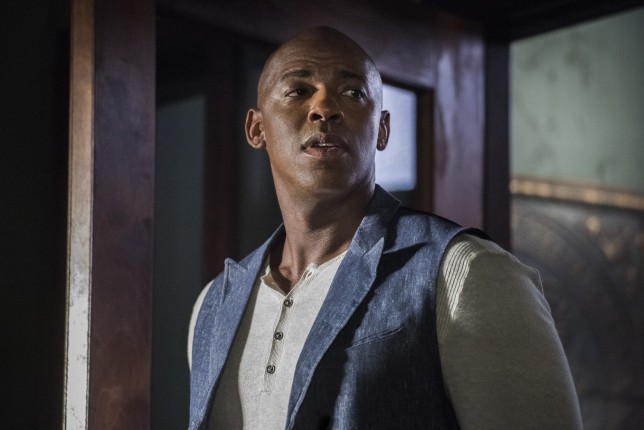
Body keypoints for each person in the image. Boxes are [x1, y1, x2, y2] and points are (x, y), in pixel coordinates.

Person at [187, 26, 582, 430]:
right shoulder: (213, 305)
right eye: (299, 91)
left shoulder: (468, 274)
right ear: (257, 129)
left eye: (352, 93)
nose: (324, 108)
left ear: (382, 129)